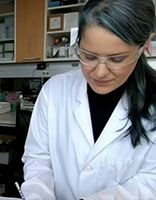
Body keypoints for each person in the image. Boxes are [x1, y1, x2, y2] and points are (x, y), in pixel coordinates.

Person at [21, 0, 156, 199]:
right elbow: (38, 160)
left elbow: (151, 179)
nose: (100, 72)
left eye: (117, 59)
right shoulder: (55, 91)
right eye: (89, 56)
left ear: (144, 46)